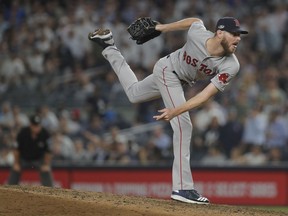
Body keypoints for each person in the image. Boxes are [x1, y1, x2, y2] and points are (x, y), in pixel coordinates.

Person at [88, 16, 248, 204]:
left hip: (176, 79)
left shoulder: (231, 65)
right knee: (184, 126)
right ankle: (183, 188)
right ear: (220, 33)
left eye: (239, 35)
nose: (238, 39)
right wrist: (161, 27)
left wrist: (176, 110)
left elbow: (205, 96)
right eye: (234, 34)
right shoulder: (199, 35)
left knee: (133, 94)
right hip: (168, 71)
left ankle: (108, 46)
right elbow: (195, 21)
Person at [7, 114, 54, 187]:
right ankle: (10, 189)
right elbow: (16, 149)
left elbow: (49, 151)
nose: (36, 128)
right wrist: (16, 163)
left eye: (38, 126)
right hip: (23, 159)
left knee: (46, 170)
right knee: (15, 168)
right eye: (34, 126)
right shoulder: (22, 133)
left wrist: (46, 164)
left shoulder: (45, 134)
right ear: (30, 125)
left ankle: (50, 192)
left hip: (39, 159)